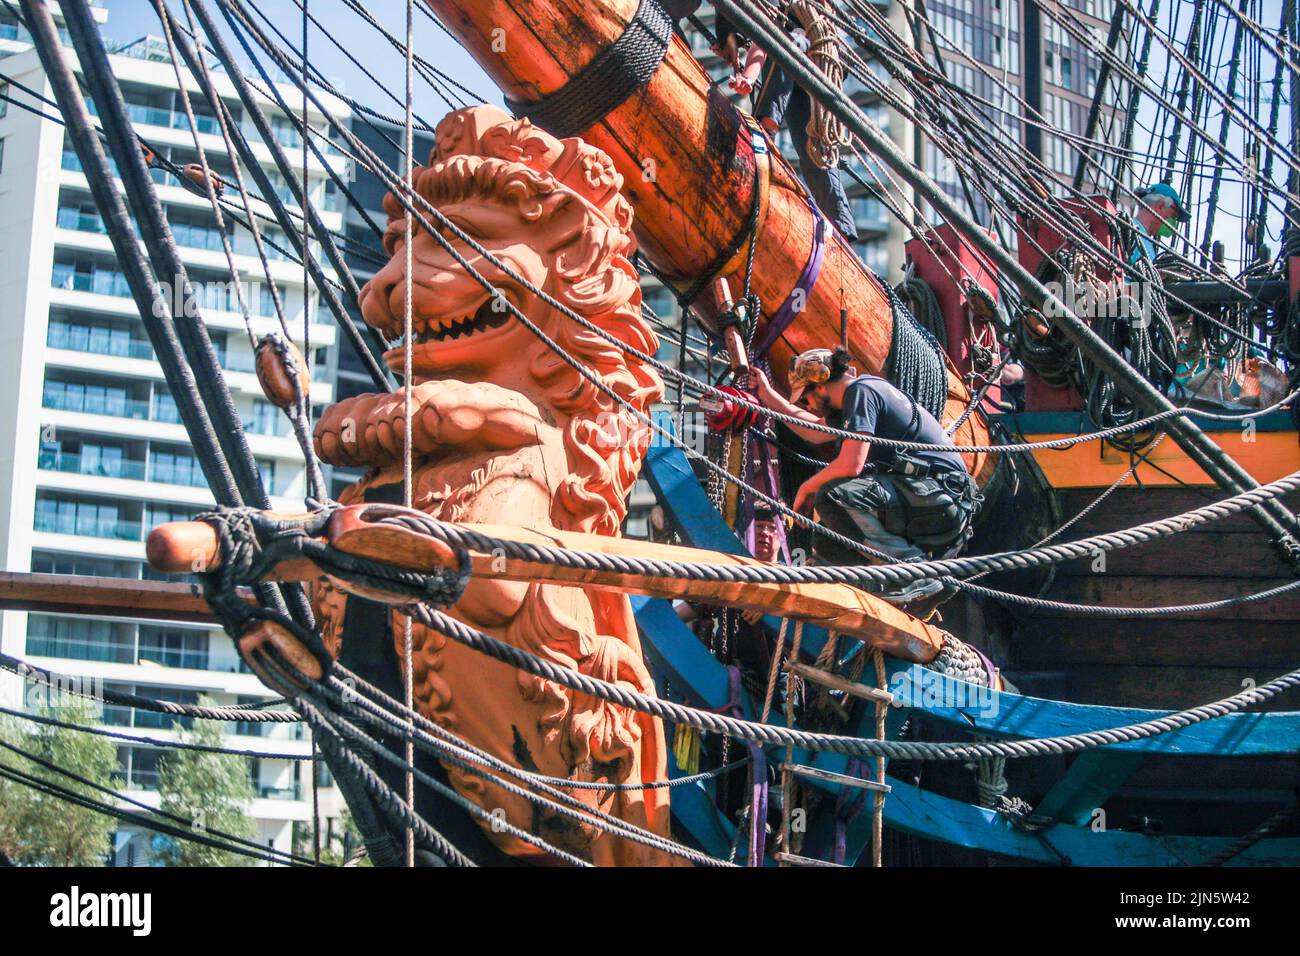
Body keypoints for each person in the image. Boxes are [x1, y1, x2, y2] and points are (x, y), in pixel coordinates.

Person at [750, 347, 979, 608]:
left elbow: (852, 464)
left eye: (806, 398)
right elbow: (813, 430)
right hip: (925, 501)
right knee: (827, 539)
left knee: (832, 495)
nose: (808, 405)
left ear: (820, 384)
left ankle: (913, 575)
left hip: (940, 496)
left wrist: (806, 487)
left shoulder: (861, 392)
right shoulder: (865, 393)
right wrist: (768, 395)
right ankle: (883, 588)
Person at [1129, 182, 1190, 266]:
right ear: (1160, 206)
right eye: (1173, 216)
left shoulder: (1145, 240)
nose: (1173, 223)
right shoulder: (1128, 230)